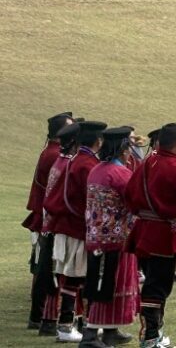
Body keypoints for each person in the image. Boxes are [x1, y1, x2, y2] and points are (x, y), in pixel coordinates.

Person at [125, 123, 176, 348]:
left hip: (143, 230)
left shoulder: (148, 162)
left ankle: (155, 333)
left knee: (154, 283)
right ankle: (151, 336)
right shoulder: (174, 167)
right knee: (158, 286)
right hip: (161, 234)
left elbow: (129, 192)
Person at [43, 120, 106, 342]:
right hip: (76, 228)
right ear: (99, 141)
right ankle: (67, 325)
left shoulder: (76, 160)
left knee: (76, 277)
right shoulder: (87, 165)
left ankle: (78, 324)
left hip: (68, 226)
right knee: (74, 277)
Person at [81, 126, 138, 347]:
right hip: (115, 239)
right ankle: (90, 336)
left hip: (96, 236)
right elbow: (135, 201)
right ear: (123, 150)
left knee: (101, 283)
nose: (130, 154)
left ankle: (111, 329)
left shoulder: (96, 170)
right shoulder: (121, 174)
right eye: (128, 149)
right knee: (106, 285)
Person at [23, 112, 73, 330]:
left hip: (44, 216)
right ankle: (42, 314)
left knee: (44, 267)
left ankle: (39, 314)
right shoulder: (55, 155)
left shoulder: (51, 152)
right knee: (47, 269)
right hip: (49, 218)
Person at [37, 122, 80, 337]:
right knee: (64, 275)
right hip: (61, 225)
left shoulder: (60, 162)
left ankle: (48, 320)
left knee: (56, 274)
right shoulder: (67, 165)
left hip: (52, 224)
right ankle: (58, 322)